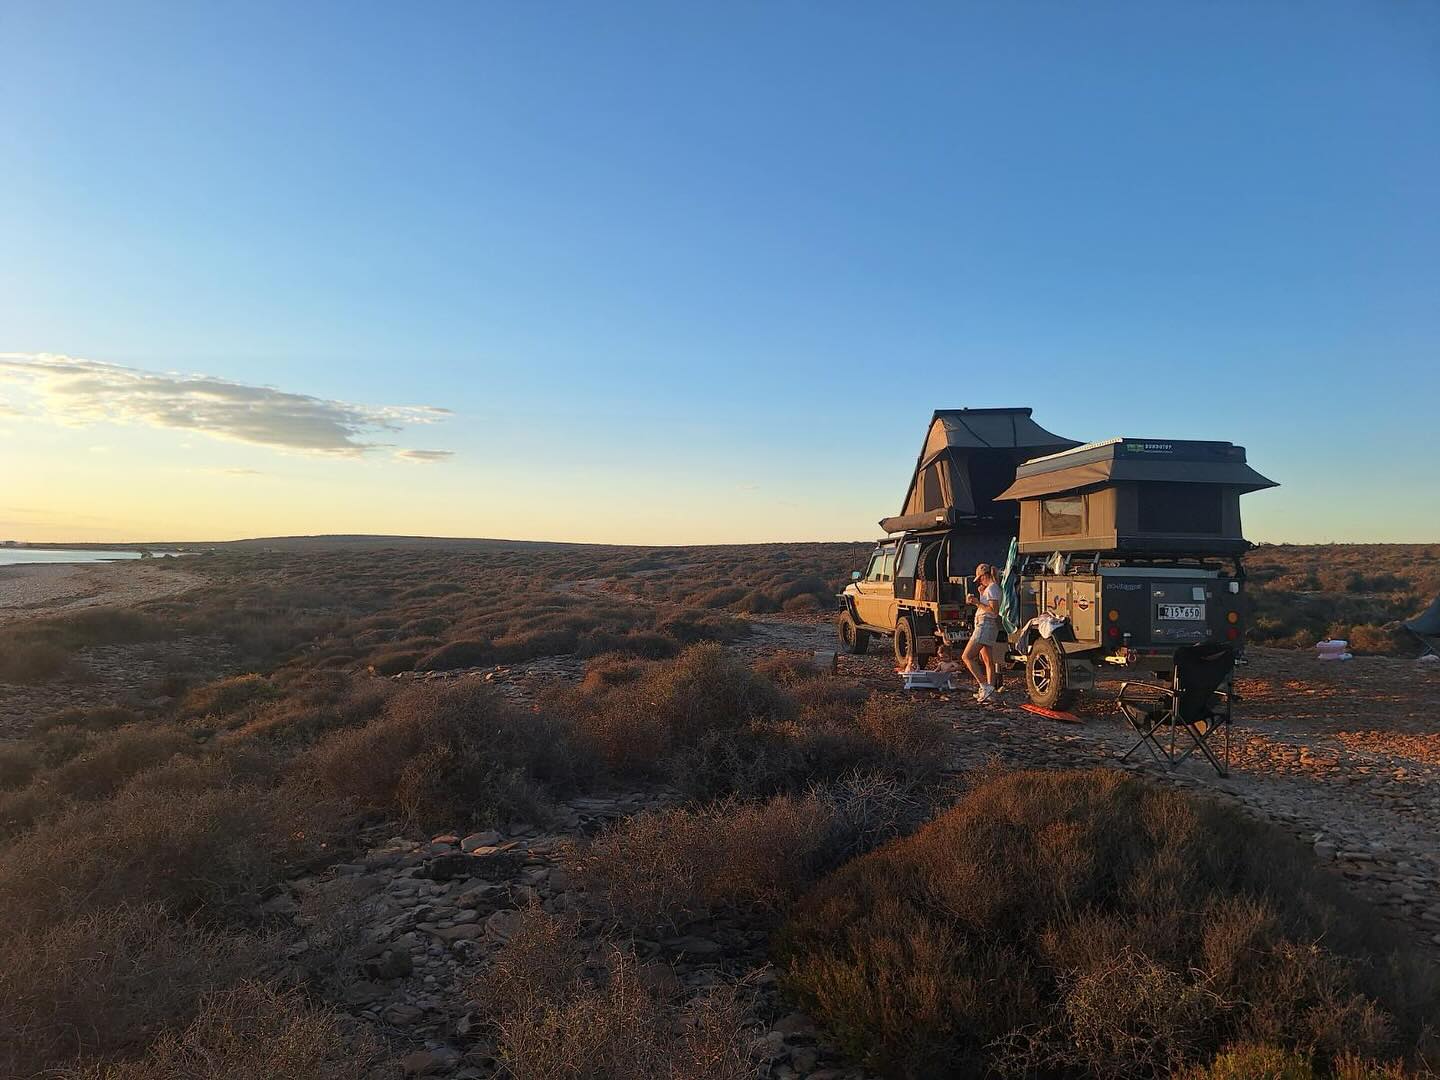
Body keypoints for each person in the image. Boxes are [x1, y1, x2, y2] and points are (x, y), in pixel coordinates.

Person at [963, 563, 1002, 702]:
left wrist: (976, 602)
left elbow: (993, 611)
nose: (979, 582)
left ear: (984, 576)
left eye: (980, 579)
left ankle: (984, 685)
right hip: (986, 624)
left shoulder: (992, 588)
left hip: (985, 624)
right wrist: (980, 595)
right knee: (987, 660)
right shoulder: (991, 588)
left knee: (967, 656)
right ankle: (990, 691)